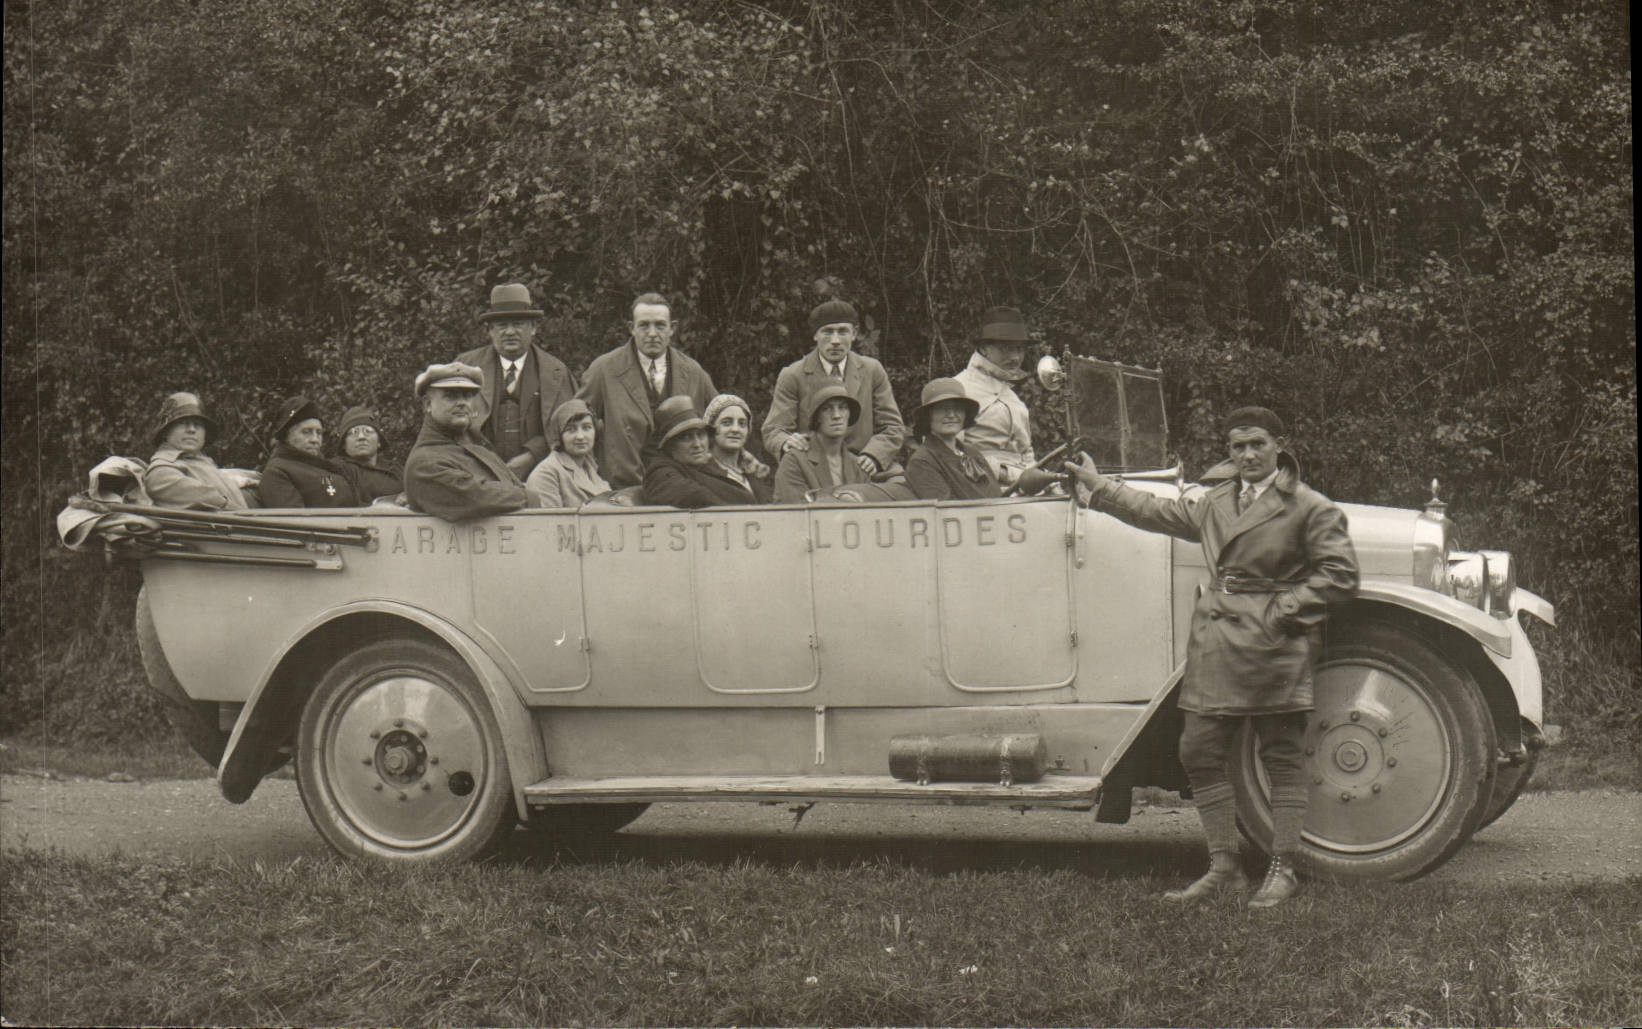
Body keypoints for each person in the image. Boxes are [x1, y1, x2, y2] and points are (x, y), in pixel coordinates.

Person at [1066, 406, 1359, 909]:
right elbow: (1154, 512)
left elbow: (1340, 576)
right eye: (1237, 447)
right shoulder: (1217, 501)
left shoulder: (1311, 507)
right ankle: (1224, 867)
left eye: (1257, 445)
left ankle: (1283, 867)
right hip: (1217, 640)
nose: (1247, 455)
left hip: (1275, 643)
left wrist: (1281, 610)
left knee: (1282, 755)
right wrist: (1100, 486)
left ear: (1278, 446)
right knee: (1198, 750)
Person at [576, 292, 716, 489]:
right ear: (631, 328)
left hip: (681, 487)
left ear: (672, 328)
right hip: (623, 487)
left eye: (660, 325)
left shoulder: (693, 371)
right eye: (644, 325)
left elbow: (719, 421)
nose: (652, 333)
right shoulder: (604, 369)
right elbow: (575, 422)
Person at [760, 299, 905, 478]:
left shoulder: (871, 370)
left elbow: (893, 426)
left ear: (855, 333)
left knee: (902, 493)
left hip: (866, 468)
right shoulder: (793, 375)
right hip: (816, 471)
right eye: (827, 332)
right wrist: (787, 442)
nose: (835, 341)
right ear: (815, 335)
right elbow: (774, 430)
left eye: (843, 331)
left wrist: (873, 456)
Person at [456, 282, 578, 479]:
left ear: (533, 328)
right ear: (490, 331)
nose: (510, 332)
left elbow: (568, 426)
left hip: (540, 474)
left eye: (518, 324)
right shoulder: (465, 367)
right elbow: (445, 424)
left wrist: (533, 455)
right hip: (476, 473)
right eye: (502, 325)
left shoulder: (556, 372)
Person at [953, 306, 1059, 494]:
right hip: (982, 489)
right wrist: (1011, 474)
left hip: (1023, 488)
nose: (1015, 357)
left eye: (1019, 349)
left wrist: (1045, 481)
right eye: (1006, 348)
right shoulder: (959, 388)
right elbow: (951, 454)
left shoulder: (1011, 397)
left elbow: (1026, 453)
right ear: (984, 348)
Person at [404, 362, 528, 521]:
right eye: (451, 396)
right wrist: (526, 494)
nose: (462, 403)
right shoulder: (424, 464)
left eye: (467, 396)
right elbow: (478, 498)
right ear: (428, 404)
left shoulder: (479, 449)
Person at [142, 392, 261, 510]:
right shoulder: (162, 470)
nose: (192, 430)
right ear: (166, 432)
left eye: (197, 425)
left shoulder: (202, 463)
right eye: (183, 423)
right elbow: (210, 500)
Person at [641, 396, 759, 507]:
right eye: (686, 437)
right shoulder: (659, 472)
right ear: (669, 445)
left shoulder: (707, 467)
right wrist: (736, 514)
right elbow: (692, 495)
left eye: (701, 435)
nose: (697, 444)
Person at [904, 377, 1002, 500]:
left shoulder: (973, 453)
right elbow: (947, 511)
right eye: (942, 408)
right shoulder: (922, 461)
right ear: (928, 416)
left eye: (958, 408)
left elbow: (998, 497)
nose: (951, 415)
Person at [772, 383, 871, 503]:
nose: (836, 415)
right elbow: (795, 512)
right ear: (817, 416)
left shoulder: (858, 466)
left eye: (843, 408)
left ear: (849, 414)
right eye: (827, 409)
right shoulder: (795, 460)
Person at [257, 397, 360, 508]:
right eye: (306, 432)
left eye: (319, 433)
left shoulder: (330, 467)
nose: (315, 439)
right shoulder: (277, 472)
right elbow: (294, 521)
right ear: (287, 436)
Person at [524, 399, 611, 508]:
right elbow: (549, 522)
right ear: (559, 435)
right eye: (571, 429)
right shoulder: (547, 474)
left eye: (586, 427)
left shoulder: (590, 468)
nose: (580, 436)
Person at [704, 393, 773, 503]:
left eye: (742, 424)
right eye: (726, 423)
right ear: (712, 428)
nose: (735, 429)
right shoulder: (703, 472)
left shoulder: (754, 473)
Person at [335, 405, 402, 501]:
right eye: (354, 432)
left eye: (368, 431)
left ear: (379, 441)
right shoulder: (338, 470)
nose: (361, 437)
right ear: (344, 444)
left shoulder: (396, 470)